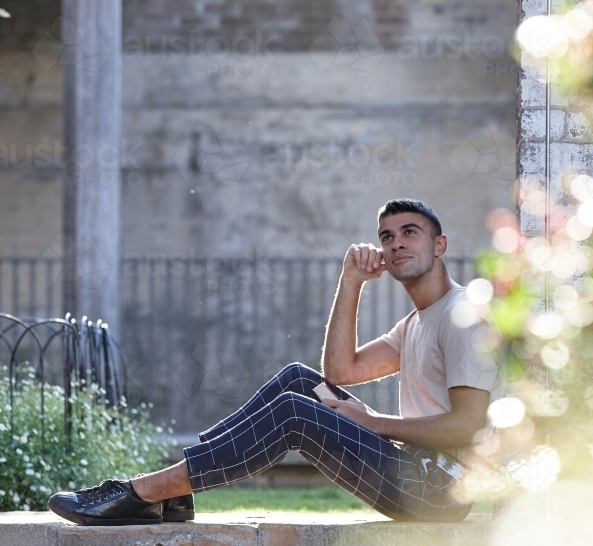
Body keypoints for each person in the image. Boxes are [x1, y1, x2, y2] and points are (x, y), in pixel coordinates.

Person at [48, 198, 502, 525]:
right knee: (299, 381)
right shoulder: (417, 322)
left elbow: (467, 426)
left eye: (410, 233)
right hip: (415, 469)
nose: (396, 243)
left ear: (439, 245)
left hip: (440, 489)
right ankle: (178, 492)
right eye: (387, 236)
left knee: (293, 412)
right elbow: (340, 374)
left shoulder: (462, 316)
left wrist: (375, 423)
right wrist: (351, 282)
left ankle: (144, 493)